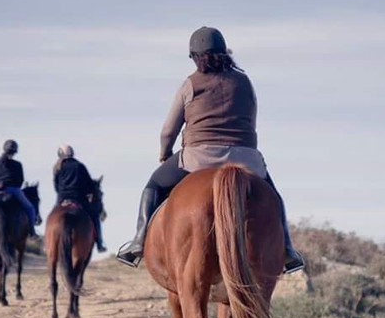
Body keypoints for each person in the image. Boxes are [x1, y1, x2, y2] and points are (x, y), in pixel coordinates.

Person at [116, 26, 305, 273]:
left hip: (197, 158)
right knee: (274, 196)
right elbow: (251, 120)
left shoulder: (190, 84)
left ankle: (139, 241)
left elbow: (168, 131)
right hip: (245, 158)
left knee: (153, 186)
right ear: (224, 53)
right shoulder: (245, 82)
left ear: (195, 57)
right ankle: (287, 249)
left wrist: (165, 153)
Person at [53, 144, 106, 252]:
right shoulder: (79, 166)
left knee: (53, 217)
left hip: (61, 199)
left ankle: (48, 243)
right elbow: (89, 185)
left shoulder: (57, 167)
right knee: (95, 217)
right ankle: (100, 243)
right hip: (78, 199)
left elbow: (56, 186)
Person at [0, 139, 38, 236]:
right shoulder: (17, 165)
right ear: (15, 152)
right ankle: (32, 231)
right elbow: (20, 181)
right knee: (30, 208)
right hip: (12, 190)